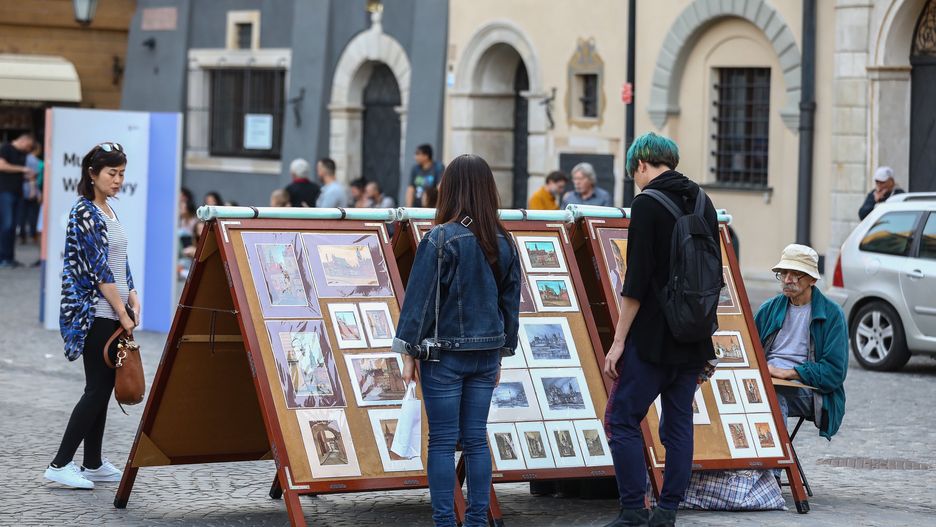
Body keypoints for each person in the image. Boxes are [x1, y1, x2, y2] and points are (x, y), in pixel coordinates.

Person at [393, 154, 521, 527]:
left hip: (444, 357)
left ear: (448, 189)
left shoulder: (439, 239)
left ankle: (446, 522)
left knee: (443, 443)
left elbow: (418, 301)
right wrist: (502, 353)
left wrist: (408, 353)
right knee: (477, 440)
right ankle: (478, 521)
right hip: (486, 355)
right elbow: (510, 305)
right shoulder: (505, 241)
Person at [601, 133, 718, 527]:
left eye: (634, 170)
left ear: (642, 165)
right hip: (695, 334)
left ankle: (633, 508)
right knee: (679, 422)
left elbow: (635, 282)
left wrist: (618, 343)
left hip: (653, 337)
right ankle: (667, 511)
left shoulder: (646, 204)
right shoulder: (704, 201)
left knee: (621, 418)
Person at [46, 142, 139, 489]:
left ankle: (93, 462)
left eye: (122, 174)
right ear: (92, 174)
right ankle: (59, 463)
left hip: (112, 310)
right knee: (97, 389)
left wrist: (133, 294)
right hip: (93, 313)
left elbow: (119, 261)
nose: (118, 180)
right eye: (112, 173)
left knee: (102, 386)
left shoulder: (109, 211)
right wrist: (121, 312)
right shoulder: (84, 212)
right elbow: (99, 270)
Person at [755, 244, 847, 443]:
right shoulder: (768, 309)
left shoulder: (832, 315)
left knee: (772, 398)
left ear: (812, 279)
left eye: (796, 274)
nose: (787, 279)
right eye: (784, 273)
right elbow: (748, 350)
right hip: (766, 381)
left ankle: (772, 472)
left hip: (809, 390)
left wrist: (789, 373)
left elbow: (834, 373)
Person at [0, 133, 36, 267]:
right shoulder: (6, 148)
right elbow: (1, 165)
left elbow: (15, 171)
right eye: (29, 146)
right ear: (23, 141)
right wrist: (23, 169)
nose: (29, 149)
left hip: (17, 192)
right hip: (5, 192)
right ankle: (2, 257)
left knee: (13, 227)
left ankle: (9, 257)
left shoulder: (23, 154)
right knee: (6, 225)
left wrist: (28, 175)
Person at [19, 142, 43, 244]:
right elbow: (33, 177)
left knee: (22, 215)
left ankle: (22, 235)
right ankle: (33, 235)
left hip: (22, 188)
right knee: (33, 214)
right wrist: (34, 191)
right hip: (32, 189)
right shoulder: (36, 162)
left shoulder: (22, 159)